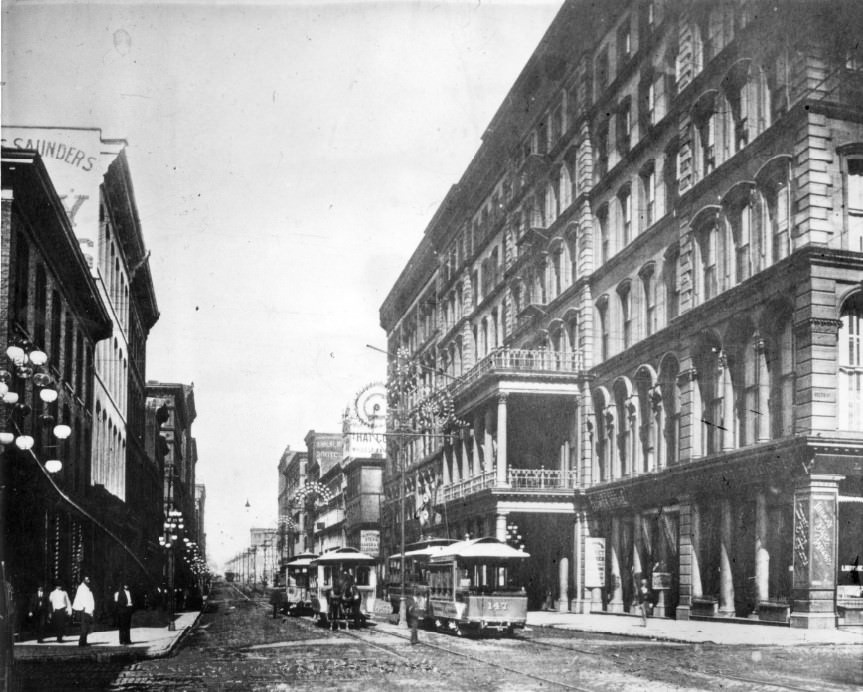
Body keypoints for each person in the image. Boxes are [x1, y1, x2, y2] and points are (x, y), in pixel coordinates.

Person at [72, 576, 95, 646]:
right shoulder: (81, 588)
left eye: (89, 579)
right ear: (84, 580)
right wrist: (84, 606)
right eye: (87, 579)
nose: (88, 580)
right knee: (84, 627)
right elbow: (81, 599)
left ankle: (84, 641)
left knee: (87, 627)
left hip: (88, 609)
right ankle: (82, 642)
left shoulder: (87, 588)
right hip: (84, 609)